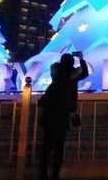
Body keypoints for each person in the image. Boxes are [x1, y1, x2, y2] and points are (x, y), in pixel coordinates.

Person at [38, 52, 88, 180]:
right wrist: (81, 59)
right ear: (71, 63)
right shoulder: (73, 76)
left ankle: (43, 173)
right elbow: (85, 72)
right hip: (63, 113)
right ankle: (55, 174)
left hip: (49, 113)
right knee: (59, 146)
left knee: (47, 145)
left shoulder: (55, 72)